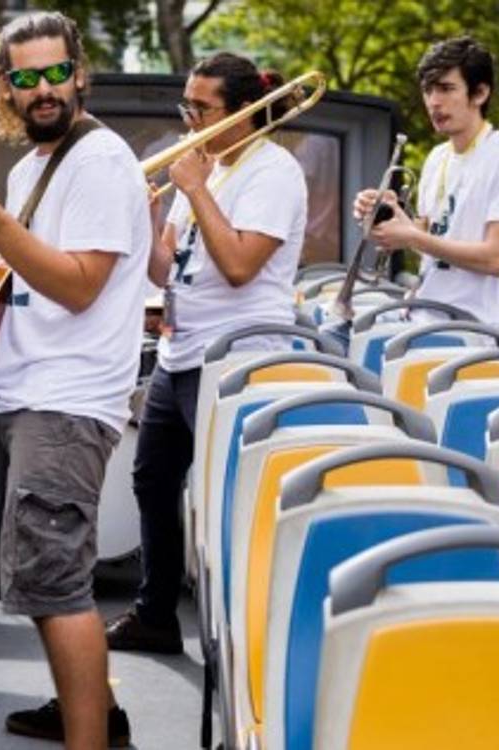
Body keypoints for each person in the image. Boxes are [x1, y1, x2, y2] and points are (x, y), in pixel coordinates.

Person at [0, 11, 150, 748]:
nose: (45, 88)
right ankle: (80, 710)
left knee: (58, 590)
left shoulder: (101, 162)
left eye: (57, 72)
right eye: (25, 78)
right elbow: (22, 276)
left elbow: (81, 285)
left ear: (80, 74)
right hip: (29, 394)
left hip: (67, 400)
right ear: (5, 88)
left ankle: (91, 737)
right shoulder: (31, 168)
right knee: (44, 584)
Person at [105, 54, 308, 655]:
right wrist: (146, 214)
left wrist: (196, 189)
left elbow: (242, 266)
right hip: (183, 351)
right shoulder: (206, 167)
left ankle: (246, 633)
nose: (188, 121)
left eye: (201, 109)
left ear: (242, 111)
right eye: (185, 106)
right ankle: (156, 613)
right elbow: (166, 268)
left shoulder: (274, 171)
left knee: (228, 496)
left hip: (239, 355)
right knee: (152, 479)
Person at [354, 36, 499, 326]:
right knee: (328, 321)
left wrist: (412, 236)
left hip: (465, 330)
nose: (433, 101)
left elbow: (496, 259)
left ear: (479, 93)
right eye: (428, 89)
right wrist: (392, 217)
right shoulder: (437, 157)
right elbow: (429, 242)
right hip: (419, 313)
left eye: (445, 88)